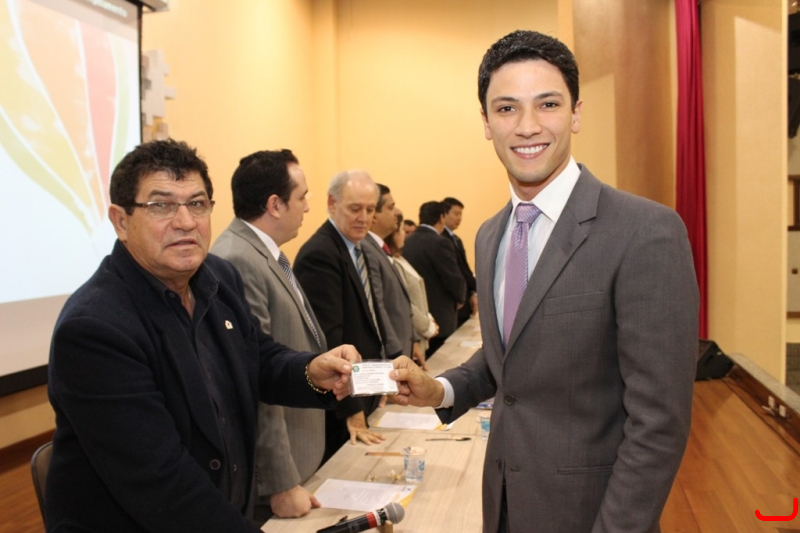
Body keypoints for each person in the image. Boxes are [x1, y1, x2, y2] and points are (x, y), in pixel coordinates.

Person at [390, 30, 699, 533]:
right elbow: (510, 357)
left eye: (548, 104)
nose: (527, 126)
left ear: (576, 113)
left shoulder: (645, 231)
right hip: (503, 507)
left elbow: (659, 424)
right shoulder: (490, 234)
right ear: (486, 122)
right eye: (507, 108)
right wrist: (439, 390)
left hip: (592, 516)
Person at [45, 139, 358, 533]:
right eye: (161, 205)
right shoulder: (94, 329)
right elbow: (162, 484)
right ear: (121, 221)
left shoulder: (218, 277)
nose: (185, 221)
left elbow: (258, 359)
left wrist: (311, 371)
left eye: (196, 203)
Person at [209, 149, 326, 520]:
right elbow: (254, 373)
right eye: (302, 197)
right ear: (275, 205)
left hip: (301, 454)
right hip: (277, 477)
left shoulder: (263, 253)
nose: (307, 206)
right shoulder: (238, 259)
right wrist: (280, 482)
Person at [294, 170, 387, 462]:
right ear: (332, 204)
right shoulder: (320, 254)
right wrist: (353, 412)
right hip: (341, 408)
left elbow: (370, 321)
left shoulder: (357, 248)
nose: (364, 218)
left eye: (370, 209)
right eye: (355, 208)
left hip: (363, 391)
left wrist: (381, 382)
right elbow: (329, 340)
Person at [363, 183, 421, 361]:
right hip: (391, 354)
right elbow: (378, 305)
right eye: (390, 207)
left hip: (403, 345)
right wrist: (395, 351)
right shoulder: (366, 249)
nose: (396, 212)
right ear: (374, 215)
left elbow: (399, 302)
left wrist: (413, 339)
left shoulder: (380, 248)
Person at [402, 200, 466, 358]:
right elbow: (453, 277)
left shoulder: (407, 241)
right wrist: (461, 297)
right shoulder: (440, 242)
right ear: (442, 217)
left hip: (417, 317)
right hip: (441, 317)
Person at [386, 214, 438, 369]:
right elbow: (404, 302)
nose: (406, 235)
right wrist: (426, 326)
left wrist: (428, 318)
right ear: (393, 234)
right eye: (403, 230)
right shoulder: (392, 263)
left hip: (418, 333)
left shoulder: (400, 258)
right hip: (412, 333)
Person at [442, 197, 478, 326]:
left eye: (460, 214)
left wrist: (473, 290)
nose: (459, 218)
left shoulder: (456, 239)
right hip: (454, 302)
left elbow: (465, 268)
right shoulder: (441, 239)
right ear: (444, 214)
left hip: (465, 298)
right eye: (456, 214)